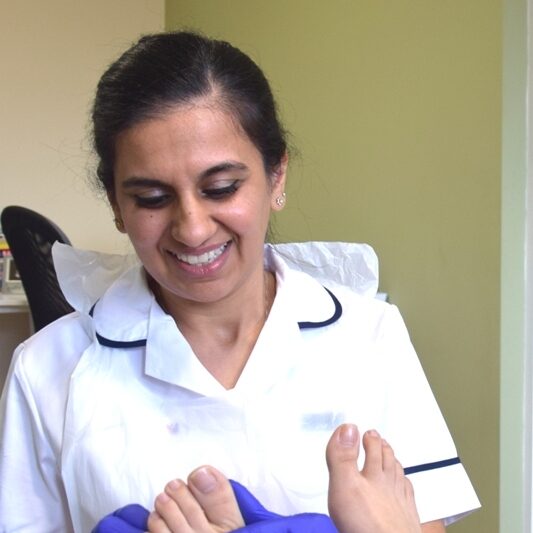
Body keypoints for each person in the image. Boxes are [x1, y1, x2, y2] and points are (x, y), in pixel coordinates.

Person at [0, 31, 479, 532]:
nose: (193, 228)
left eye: (221, 188)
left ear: (277, 178)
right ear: (118, 207)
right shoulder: (47, 371)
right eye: (151, 198)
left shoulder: (369, 336)